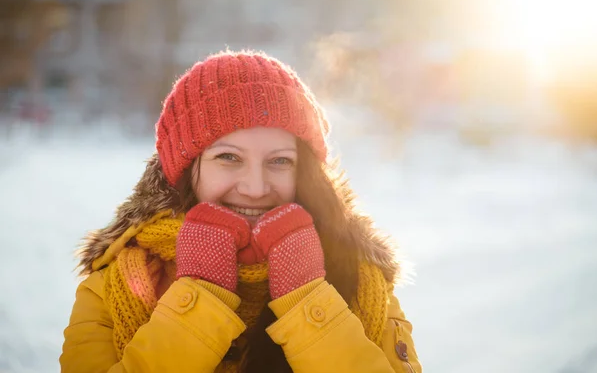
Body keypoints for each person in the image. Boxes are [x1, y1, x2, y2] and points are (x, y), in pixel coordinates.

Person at [60, 50, 422, 373]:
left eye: (280, 161)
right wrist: (201, 299)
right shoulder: (112, 286)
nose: (255, 187)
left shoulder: (361, 277)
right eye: (228, 157)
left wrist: (308, 301)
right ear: (185, 168)